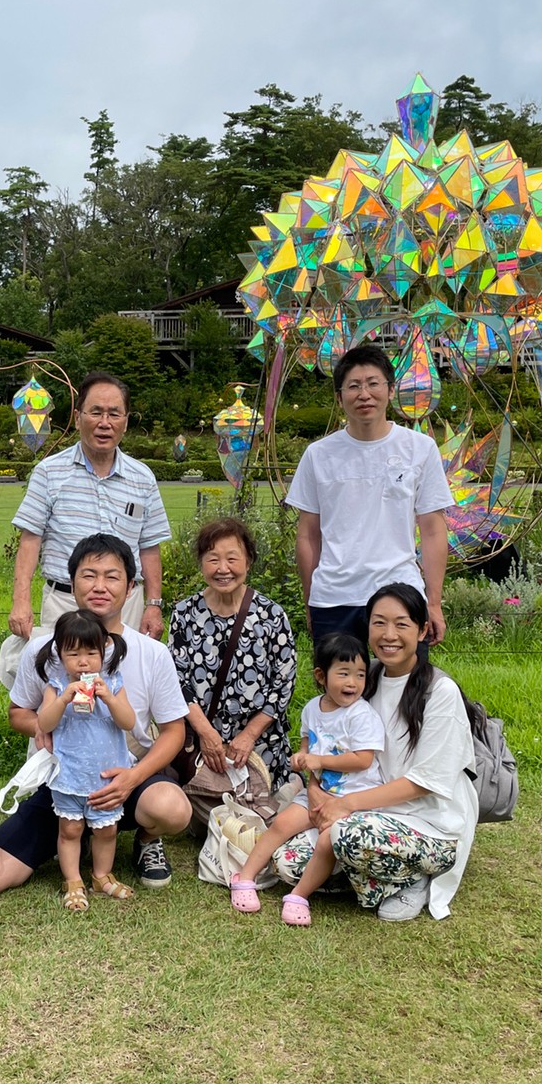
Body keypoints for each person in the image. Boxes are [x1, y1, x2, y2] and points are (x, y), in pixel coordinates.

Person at [0, 533, 192, 893]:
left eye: (112, 576)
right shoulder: (42, 649)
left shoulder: (151, 653)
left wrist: (133, 776)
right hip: (64, 781)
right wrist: (40, 726)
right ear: (72, 581)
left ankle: (144, 838)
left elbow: (174, 732)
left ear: (130, 588)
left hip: (124, 777)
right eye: (88, 575)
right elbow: (18, 713)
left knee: (172, 809)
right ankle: (73, 839)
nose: (100, 586)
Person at [275, 583, 478, 922]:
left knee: (341, 835)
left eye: (402, 624)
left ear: (423, 629)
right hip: (365, 811)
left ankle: (412, 879)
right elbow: (325, 743)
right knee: (287, 863)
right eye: (379, 622)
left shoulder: (439, 691)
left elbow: (423, 782)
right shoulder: (362, 678)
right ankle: (375, 874)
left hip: (431, 824)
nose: (389, 635)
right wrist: (314, 789)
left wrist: (343, 805)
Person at [285, 343, 455, 646]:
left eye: (373, 384)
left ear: (390, 390)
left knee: (406, 691)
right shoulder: (318, 455)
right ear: (340, 398)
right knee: (341, 691)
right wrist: (311, 598)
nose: (364, 394)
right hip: (334, 598)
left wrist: (434, 602)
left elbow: (432, 530)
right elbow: (308, 535)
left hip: (401, 595)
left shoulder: (419, 449)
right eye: (353, 386)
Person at [227, 633, 385, 926]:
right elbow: (307, 744)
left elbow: (364, 759)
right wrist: (301, 758)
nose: (353, 682)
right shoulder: (313, 708)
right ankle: (244, 877)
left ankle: (299, 896)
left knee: (328, 840)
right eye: (344, 673)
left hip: (353, 800)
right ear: (321, 676)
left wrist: (320, 761)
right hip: (319, 789)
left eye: (360, 675)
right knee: (282, 824)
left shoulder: (362, 715)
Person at [8, 371, 170, 641]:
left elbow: (149, 546)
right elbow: (30, 540)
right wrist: (21, 600)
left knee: (125, 681)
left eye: (114, 414)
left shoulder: (143, 478)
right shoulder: (49, 472)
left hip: (125, 606)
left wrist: (153, 606)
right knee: (64, 680)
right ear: (77, 417)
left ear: (126, 422)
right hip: (66, 603)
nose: (104, 423)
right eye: (95, 412)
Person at [169, 516, 297, 789]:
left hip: (260, 740)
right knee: (212, 812)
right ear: (201, 563)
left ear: (248, 562)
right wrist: (207, 734)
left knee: (261, 814)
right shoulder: (184, 614)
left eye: (232, 559)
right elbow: (178, 681)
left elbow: (283, 683)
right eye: (213, 559)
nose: (223, 569)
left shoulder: (270, 615)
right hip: (205, 741)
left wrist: (249, 735)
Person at [32, 610, 138, 910]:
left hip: (105, 778)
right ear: (60, 653)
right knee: (70, 830)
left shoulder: (113, 683)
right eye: (73, 653)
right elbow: (46, 722)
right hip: (69, 776)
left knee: (107, 830)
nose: (83, 662)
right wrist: (64, 697)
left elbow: (128, 722)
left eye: (91, 653)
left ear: (104, 649)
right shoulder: (56, 686)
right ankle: (73, 880)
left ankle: (101, 876)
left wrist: (110, 698)